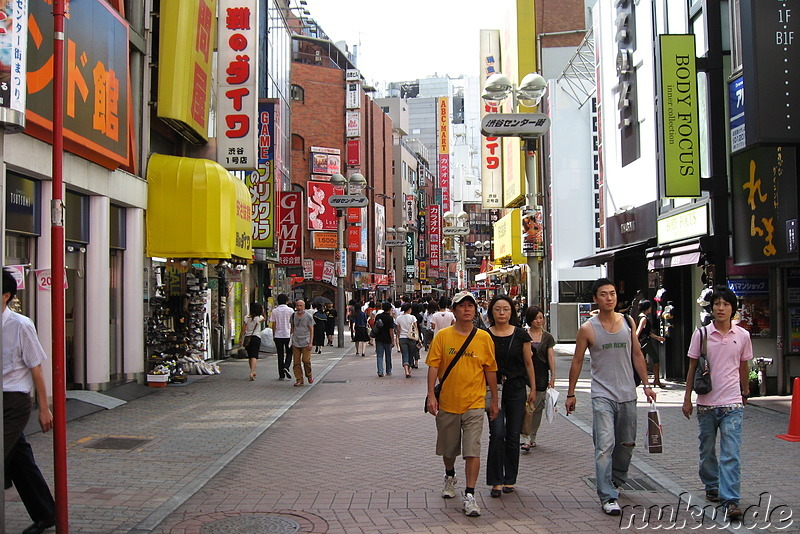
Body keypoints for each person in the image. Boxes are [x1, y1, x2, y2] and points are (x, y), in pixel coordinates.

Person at [565, 278, 656, 516]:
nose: (609, 298)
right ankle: (607, 495)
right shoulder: (587, 328)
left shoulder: (628, 321)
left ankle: (616, 479)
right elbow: (576, 361)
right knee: (604, 445)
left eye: (613, 293)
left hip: (627, 393)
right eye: (603, 294)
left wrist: (646, 384)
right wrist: (571, 393)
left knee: (626, 444)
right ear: (595, 298)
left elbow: (637, 355)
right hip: (602, 395)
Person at [682, 285, 752, 522]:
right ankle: (712, 484)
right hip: (706, 405)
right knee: (707, 451)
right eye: (717, 304)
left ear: (733, 309)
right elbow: (692, 367)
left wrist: (746, 391)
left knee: (731, 453)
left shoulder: (742, 336)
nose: (720, 308)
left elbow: (744, 366)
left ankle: (731, 500)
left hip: (733, 404)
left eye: (725, 304)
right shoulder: (701, 335)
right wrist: (687, 400)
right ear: (711, 308)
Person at [426, 291, 499, 518]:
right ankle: (450, 475)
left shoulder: (484, 338)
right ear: (454, 310)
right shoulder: (443, 336)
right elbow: (433, 367)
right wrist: (431, 395)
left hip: (475, 402)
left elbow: (491, 370)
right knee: (449, 449)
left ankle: (470, 494)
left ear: (475, 310)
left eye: (471, 306)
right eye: (462, 306)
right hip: (447, 401)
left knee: (472, 449)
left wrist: (494, 400)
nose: (467, 309)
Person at [3, 268, 56, 534]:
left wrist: (44, 408)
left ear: (6, 296)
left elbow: (36, 367)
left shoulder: (21, 325)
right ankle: (46, 514)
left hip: (14, 401)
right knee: (19, 460)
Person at [485, 295, 535, 498]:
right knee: (497, 434)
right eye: (498, 309)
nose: (502, 313)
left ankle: (510, 479)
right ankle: (495, 481)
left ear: (512, 312)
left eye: (506, 309)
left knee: (513, 436)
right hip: (493, 390)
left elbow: (528, 362)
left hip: (515, 388)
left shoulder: (522, 334)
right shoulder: (484, 335)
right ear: (491, 312)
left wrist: (533, 388)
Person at [520, 305, 556, 451]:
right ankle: (525, 437)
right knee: (527, 407)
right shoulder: (523, 334)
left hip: (541, 376)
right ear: (530, 320)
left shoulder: (547, 337)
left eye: (541, 318)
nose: (539, 321)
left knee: (537, 409)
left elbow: (551, 357)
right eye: (535, 318)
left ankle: (532, 436)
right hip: (526, 376)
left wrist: (553, 376)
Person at [636, 300, 665, 388]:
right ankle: (656, 380)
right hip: (645, 342)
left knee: (642, 361)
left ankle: (652, 380)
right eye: (650, 307)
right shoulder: (644, 318)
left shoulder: (641, 317)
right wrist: (636, 341)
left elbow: (647, 332)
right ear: (647, 308)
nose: (651, 308)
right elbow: (639, 331)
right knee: (655, 359)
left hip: (643, 341)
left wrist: (657, 337)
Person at [289, 299, 315, 386]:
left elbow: (311, 329)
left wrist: (311, 342)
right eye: (297, 306)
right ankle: (299, 379)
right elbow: (292, 328)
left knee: (306, 360)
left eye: (301, 306)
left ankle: (309, 375)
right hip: (296, 341)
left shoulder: (308, 316)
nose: (299, 307)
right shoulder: (293, 316)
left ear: (304, 307)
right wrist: (290, 339)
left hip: (306, 342)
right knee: (296, 362)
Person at [269, 294, 294, 380]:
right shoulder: (291, 311)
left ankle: (281, 374)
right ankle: (286, 366)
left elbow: (273, 324)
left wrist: (273, 334)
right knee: (289, 352)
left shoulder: (275, 311)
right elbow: (293, 324)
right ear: (287, 301)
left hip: (278, 335)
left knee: (280, 354)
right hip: (288, 335)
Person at [240, 303, 264, 381]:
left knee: (250, 355)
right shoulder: (259, 318)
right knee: (254, 355)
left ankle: (252, 370)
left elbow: (243, 329)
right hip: (256, 337)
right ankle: (252, 371)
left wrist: (240, 338)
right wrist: (263, 311)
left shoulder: (247, 317)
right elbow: (265, 318)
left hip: (248, 338)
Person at [373, 302, 396, 377]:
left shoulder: (378, 316)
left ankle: (380, 371)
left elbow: (375, 326)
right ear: (389, 309)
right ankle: (388, 370)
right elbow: (391, 330)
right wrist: (393, 340)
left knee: (379, 355)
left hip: (378, 338)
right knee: (388, 355)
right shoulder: (390, 318)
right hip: (387, 339)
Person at [395, 303, 418, 378]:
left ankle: (406, 371)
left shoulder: (398, 318)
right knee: (411, 354)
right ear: (409, 309)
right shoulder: (412, 317)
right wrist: (419, 339)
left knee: (405, 354)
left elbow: (398, 330)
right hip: (411, 338)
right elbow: (415, 328)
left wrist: (398, 337)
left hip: (402, 338)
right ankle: (409, 368)